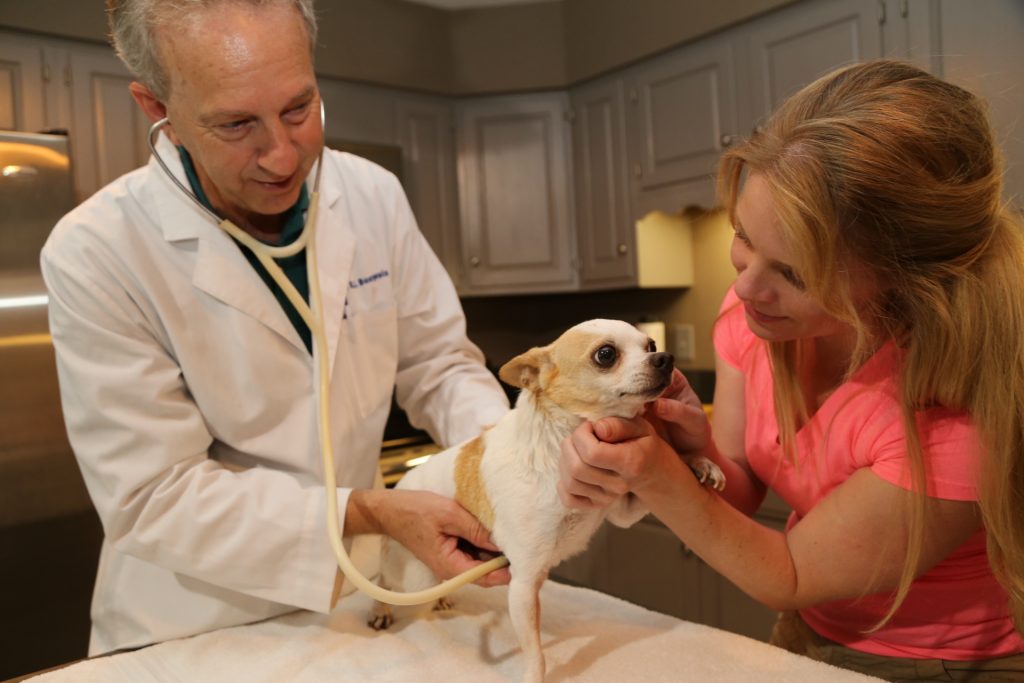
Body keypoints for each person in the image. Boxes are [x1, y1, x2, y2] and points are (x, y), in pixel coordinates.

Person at [41, 0, 510, 656]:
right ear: (157, 109)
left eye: (299, 107)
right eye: (237, 124)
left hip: (348, 607)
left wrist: (510, 461)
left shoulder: (371, 195)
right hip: (192, 630)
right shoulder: (98, 250)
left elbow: (439, 364)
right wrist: (366, 510)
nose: (284, 155)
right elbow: (155, 495)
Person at [558, 59, 1024, 681]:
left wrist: (658, 475)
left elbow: (792, 572)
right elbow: (742, 482)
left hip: (943, 664)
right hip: (810, 631)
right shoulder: (759, 319)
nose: (746, 287)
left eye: (795, 274)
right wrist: (692, 449)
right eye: (743, 236)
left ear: (903, 281)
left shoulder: (957, 412)